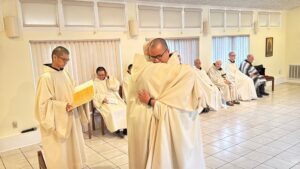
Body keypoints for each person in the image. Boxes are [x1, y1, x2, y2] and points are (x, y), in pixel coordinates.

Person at [127, 38, 206, 169]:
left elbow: (181, 108)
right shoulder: (149, 69)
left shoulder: (183, 72)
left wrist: (151, 101)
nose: (156, 61)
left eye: (159, 56)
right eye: (152, 57)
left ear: (168, 52)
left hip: (178, 128)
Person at [35, 46, 88, 169]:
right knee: (62, 154)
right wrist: (63, 106)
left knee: (74, 150)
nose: (66, 63)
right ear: (54, 57)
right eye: (64, 59)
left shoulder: (66, 73)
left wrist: (81, 96)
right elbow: (43, 105)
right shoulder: (45, 78)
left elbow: (72, 91)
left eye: (68, 60)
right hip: (58, 122)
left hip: (71, 118)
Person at [93, 67, 127, 138]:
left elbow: (115, 87)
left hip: (114, 98)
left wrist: (108, 78)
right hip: (104, 101)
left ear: (105, 73)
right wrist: (102, 98)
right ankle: (117, 130)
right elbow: (94, 95)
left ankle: (125, 128)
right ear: (97, 74)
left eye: (103, 74)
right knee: (112, 112)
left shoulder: (110, 79)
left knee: (124, 108)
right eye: (100, 75)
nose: (102, 76)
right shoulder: (94, 83)